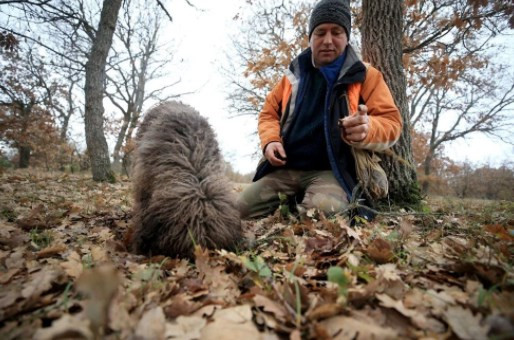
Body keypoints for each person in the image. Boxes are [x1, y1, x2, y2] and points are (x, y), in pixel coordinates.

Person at [237, 0, 402, 220]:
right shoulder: (293, 76)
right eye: (320, 32)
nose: (327, 40)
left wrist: (368, 129)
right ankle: (293, 203)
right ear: (311, 37)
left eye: (336, 32)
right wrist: (271, 141)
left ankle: (300, 210)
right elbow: (269, 114)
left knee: (319, 217)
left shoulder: (366, 76)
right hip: (287, 169)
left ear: (347, 37)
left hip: (333, 173)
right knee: (236, 211)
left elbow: (392, 124)